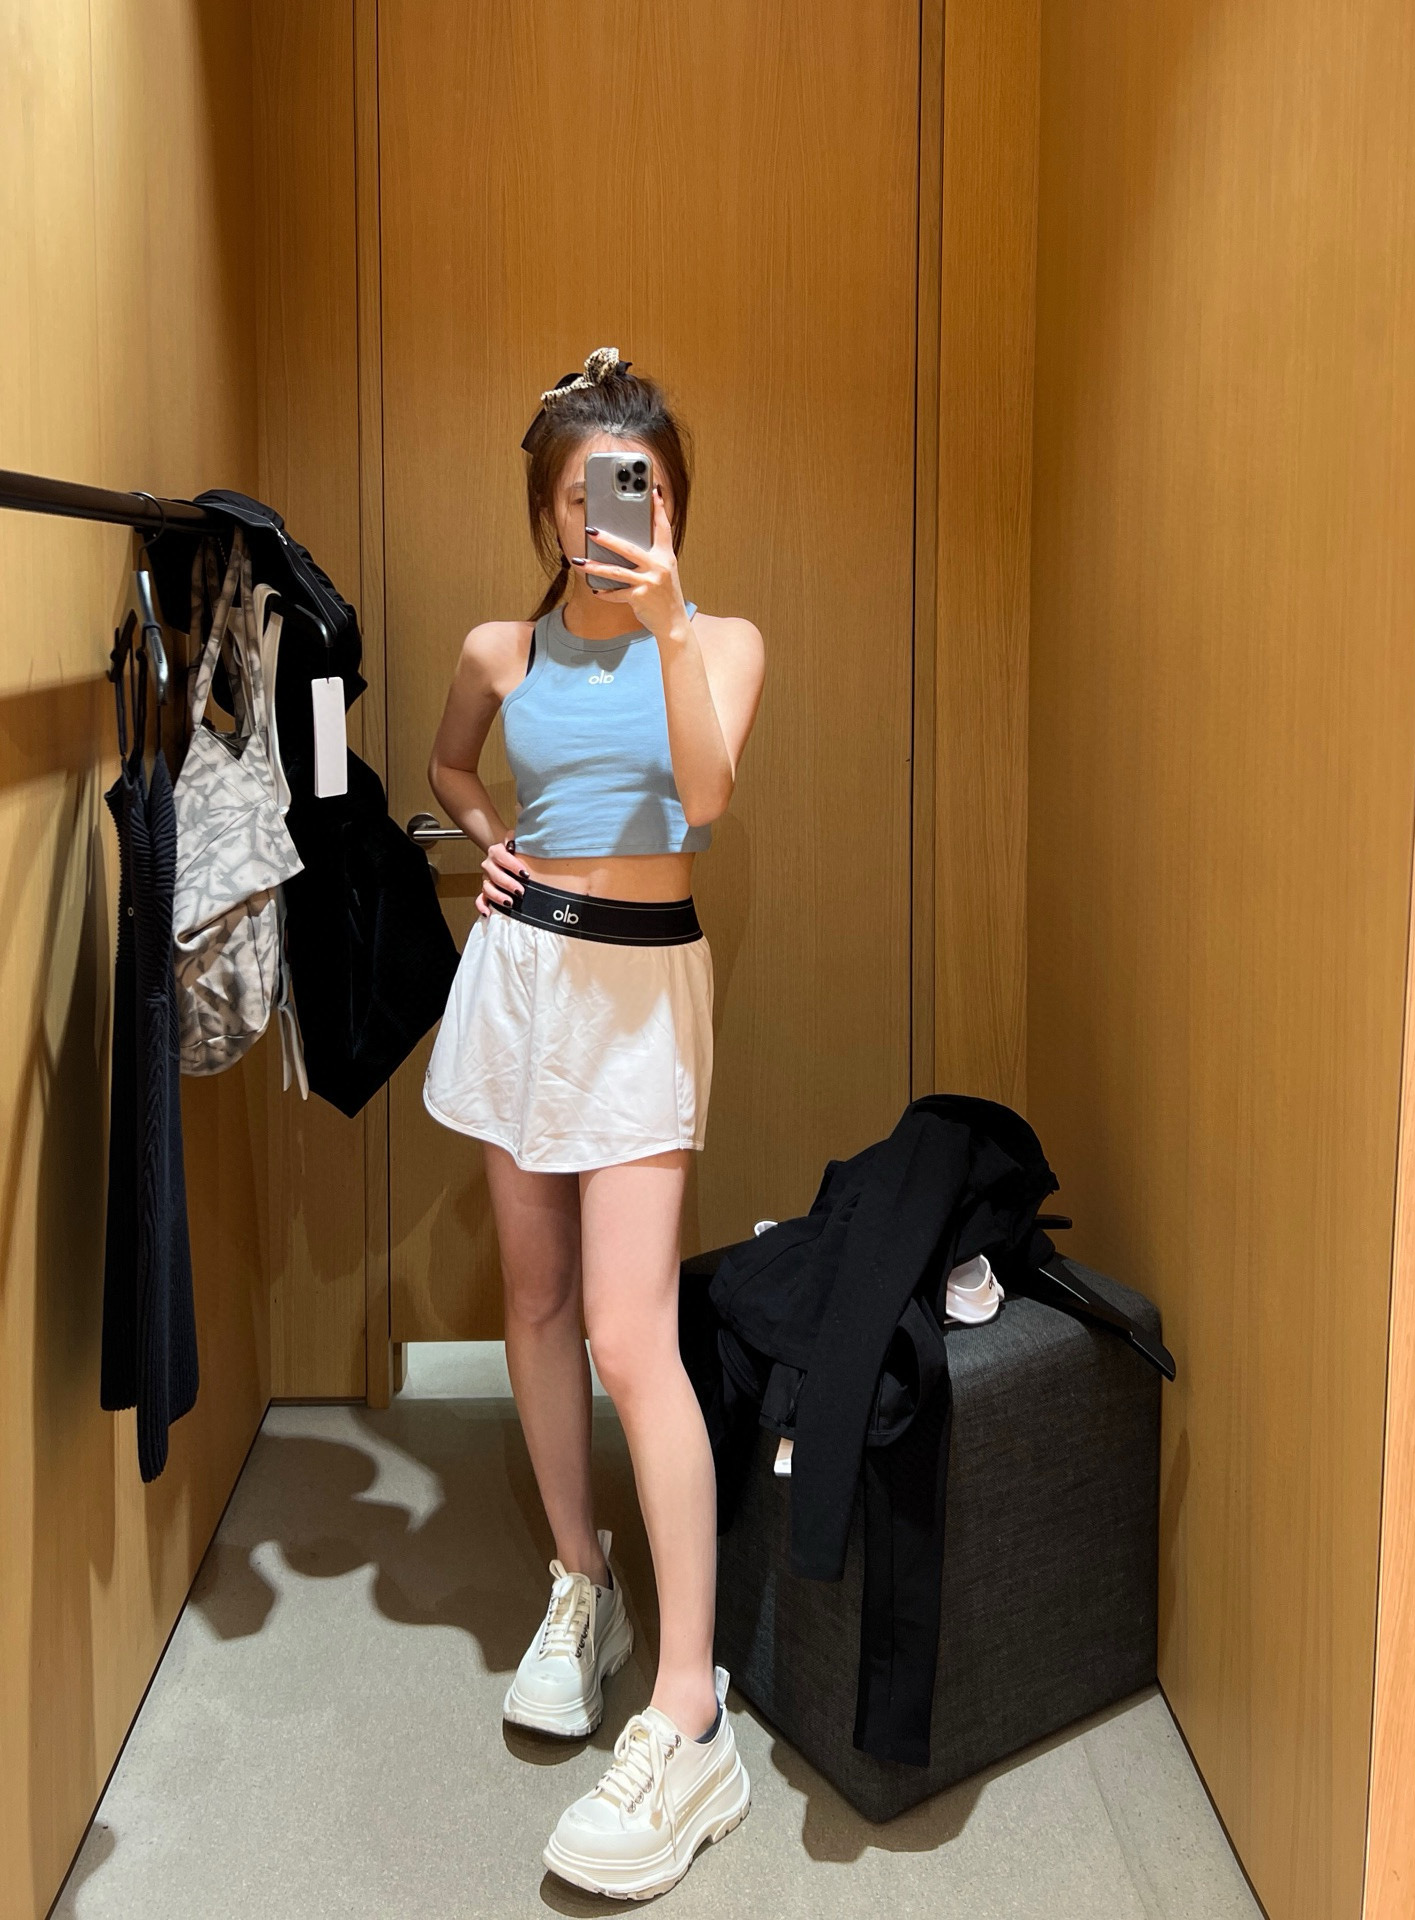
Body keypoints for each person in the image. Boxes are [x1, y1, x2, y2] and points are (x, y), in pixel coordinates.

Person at [423, 347, 766, 1900]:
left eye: (639, 490)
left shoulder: (722, 640)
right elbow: (445, 765)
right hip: (521, 978)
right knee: (539, 1301)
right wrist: (482, 834)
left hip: (640, 992)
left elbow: (708, 797)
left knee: (635, 1334)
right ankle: (583, 1580)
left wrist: (673, 618)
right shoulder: (498, 649)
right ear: (546, 510)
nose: (609, 516)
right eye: (583, 494)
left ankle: (690, 1712)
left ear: (672, 501)